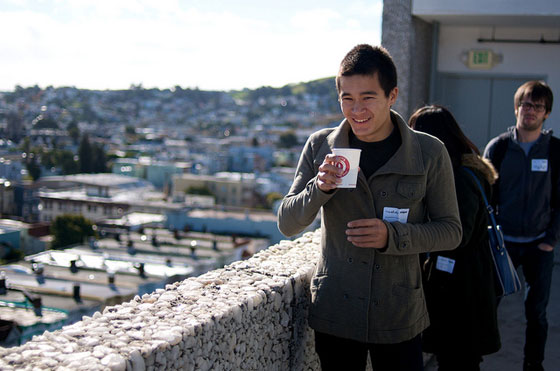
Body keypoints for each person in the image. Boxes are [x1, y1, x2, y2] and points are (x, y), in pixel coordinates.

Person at [277, 44, 462, 371]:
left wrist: (393, 236)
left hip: (398, 312)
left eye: (368, 97)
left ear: (392, 96)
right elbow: (288, 223)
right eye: (347, 98)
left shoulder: (429, 152)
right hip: (337, 310)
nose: (356, 109)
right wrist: (319, 188)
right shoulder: (321, 145)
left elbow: (451, 231)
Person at [408, 105, 501, 371]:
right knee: (458, 358)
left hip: (462, 290)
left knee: (459, 359)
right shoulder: (459, 170)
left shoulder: (459, 178)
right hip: (462, 285)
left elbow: (458, 236)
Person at [483, 80, 558, 371]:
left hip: (540, 243)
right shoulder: (498, 148)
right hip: (504, 244)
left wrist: (551, 238)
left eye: (538, 107)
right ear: (516, 107)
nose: (531, 111)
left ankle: (533, 363)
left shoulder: (555, 151)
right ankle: (472, 356)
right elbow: (484, 196)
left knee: (536, 312)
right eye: (526, 104)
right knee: (488, 304)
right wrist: (490, 236)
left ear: (546, 113)